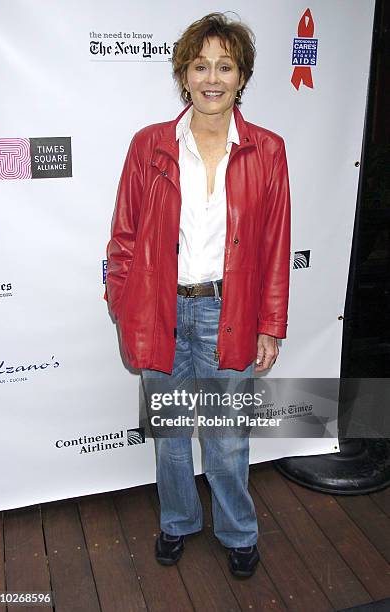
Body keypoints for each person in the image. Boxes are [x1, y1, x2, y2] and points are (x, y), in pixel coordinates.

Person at [105, 12, 291, 579]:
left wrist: (270, 322)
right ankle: (179, 520)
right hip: (160, 310)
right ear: (184, 75)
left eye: (225, 66)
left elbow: (276, 244)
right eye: (201, 64)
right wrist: (125, 305)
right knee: (171, 436)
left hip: (227, 313)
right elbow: (124, 238)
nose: (213, 77)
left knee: (227, 438)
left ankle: (238, 531)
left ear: (241, 76)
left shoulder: (267, 151)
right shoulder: (150, 146)